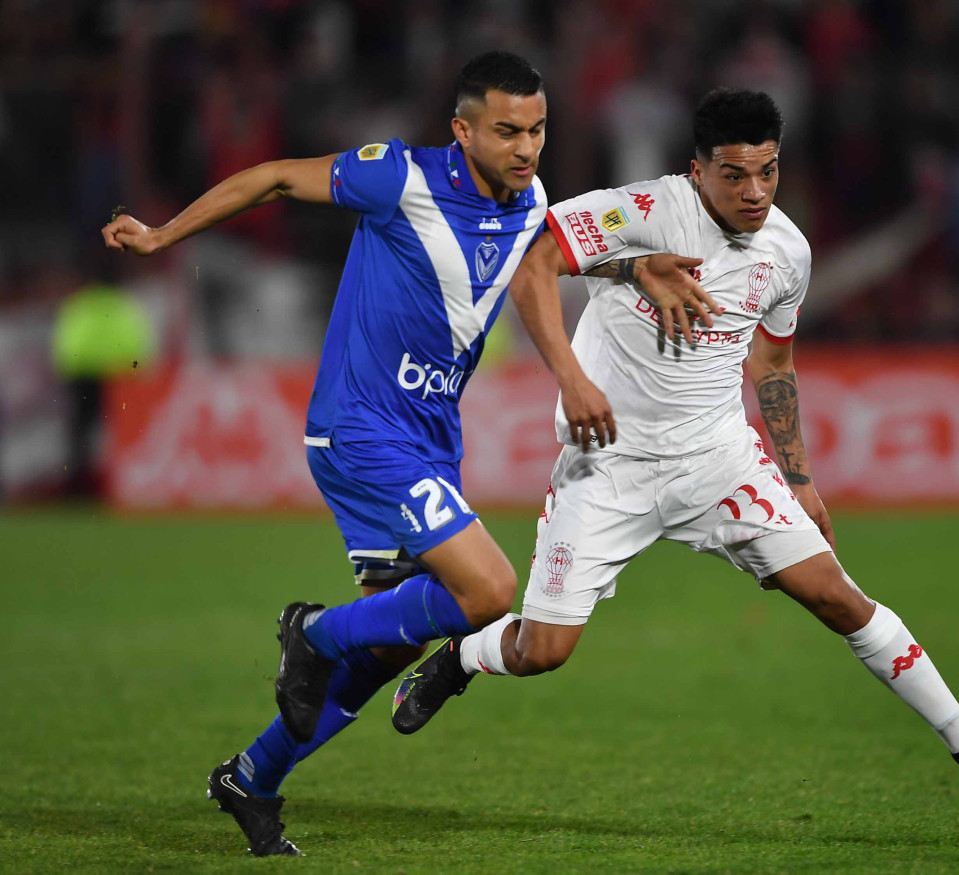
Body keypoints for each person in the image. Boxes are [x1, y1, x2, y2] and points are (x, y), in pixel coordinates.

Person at [102, 51, 715, 856]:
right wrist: (162, 235)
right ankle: (311, 632)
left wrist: (635, 267)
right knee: (491, 588)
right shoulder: (398, 176)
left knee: (391, 642)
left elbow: (543, 259)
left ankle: (251, 778)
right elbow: (280, 176)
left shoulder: (528, 199)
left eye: (536, 129)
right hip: (361, 426)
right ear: (462, 130)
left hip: (429, 436)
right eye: (505, 130)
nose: (526, 146)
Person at [390, 88, 959, 796]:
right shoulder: (641, 211)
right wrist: (573, 380)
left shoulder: (788, 251)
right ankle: (463, 659)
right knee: (542, 648)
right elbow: (533, 267)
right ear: (696, 169)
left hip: (720, 461)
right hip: (608, 463)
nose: (754, 190)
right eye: (734, 174)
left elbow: (772, 363)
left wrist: (799, 479)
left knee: (839, 598)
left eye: (767, 171)